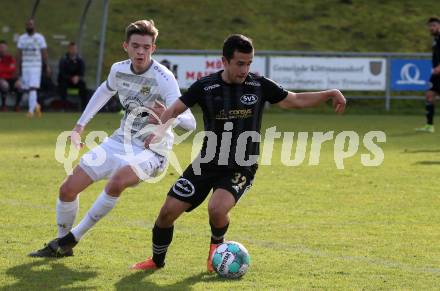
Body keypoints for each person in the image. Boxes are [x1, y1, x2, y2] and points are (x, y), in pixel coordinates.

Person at [131, 34, 346, 271]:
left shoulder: (259, 85)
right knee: (167, 213)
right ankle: (156, 261)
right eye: (240, 63)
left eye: (249, 63)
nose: (245, 69)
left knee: (217, 208)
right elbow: (174, 109)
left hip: (241, 165)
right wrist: (159, 131)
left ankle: (216, 250)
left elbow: (293, 100)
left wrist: (328, 93)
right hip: (207, 162)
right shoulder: (205, 86)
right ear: (224, 61)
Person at [28, 19, 196, 257]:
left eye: (146, 47)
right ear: (125, 46)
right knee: (67, 189)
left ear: (153, 48)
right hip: (119, 141)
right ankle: (61, 241)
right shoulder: (119, 70)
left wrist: (169, 116)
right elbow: (104, 91)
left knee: (116, 182)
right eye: (136, 45)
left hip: (152, 152)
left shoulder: (164, 78)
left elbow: (191, 122)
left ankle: (70, 239)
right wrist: (79, 126)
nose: (141, 51)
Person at [16, 19, 48, 117]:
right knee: (26, 89)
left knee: (32, 88)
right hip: (25, 66)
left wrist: (46, 66)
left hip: (36, 66)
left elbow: (44, 52)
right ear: (26, 26)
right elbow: (19, 53)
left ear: (34, 26)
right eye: (28, 25)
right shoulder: (22, 38)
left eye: (31, 24)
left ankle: (30, 111)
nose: (29, 26)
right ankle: (36, 106)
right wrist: (18, 67)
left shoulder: (39, 38)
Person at [416, 16, 440, 133]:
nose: (431, 28)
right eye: (430, 26)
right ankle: (429, 125)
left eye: (434, 25)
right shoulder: (436, 39)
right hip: (436, 74)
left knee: (430, 95)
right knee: (429, 95)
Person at [58, 41, 88, 111]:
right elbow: (62, 73)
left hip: (76, 81)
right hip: (66, 81)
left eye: (75, 49)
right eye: (72, 49)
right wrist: (71, 78)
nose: (73, 51)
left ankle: (84, 108)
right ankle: (64, 107)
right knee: (62, 86)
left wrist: (77, 77)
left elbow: (82, 72)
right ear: (68, 49)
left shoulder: (80, 60)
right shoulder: (63, 59)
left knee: (83, 85)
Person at [0, 40, 22, 111]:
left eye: (4, 47)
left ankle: (17, 105)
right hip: (1, 79)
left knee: (20, 85)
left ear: (6, 48)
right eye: (1, 47)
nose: (2, 49)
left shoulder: (11, 58)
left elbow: (14, 70)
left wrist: (16, 77)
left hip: (11, 79)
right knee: (4, 84)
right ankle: (3, 106)